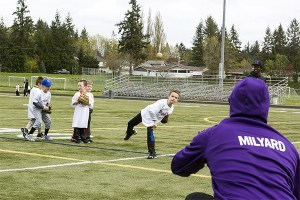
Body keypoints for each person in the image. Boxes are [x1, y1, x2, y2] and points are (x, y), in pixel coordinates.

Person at [171, 78, 300, 199]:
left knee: (195, 198)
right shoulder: (288, 147)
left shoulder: (214, 134)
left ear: (232, 100)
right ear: (266, 105)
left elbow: (178, 166)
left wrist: (204, 150)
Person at [125, 89, 180, 159]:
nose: (173, 98)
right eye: (172, 96)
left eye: (176, 98)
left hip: (152, 120)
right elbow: (151, 111)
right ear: (168, 96)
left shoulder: (171, 108)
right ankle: (130, 132)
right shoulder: (161, 103)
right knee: (130, 123)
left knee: (150, 133)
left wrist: (165, 121)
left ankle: (152, 153)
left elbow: (165, 116)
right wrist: (154, 122)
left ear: (177, 100)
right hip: (146, 113)